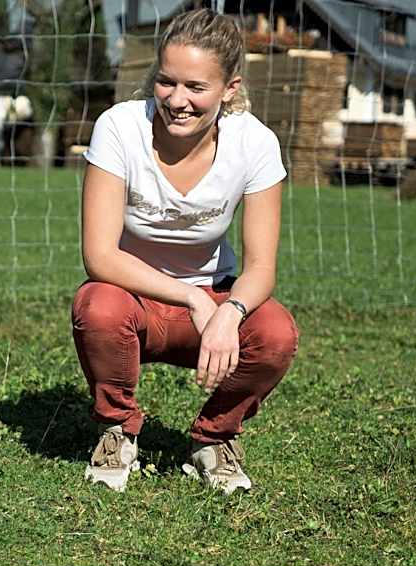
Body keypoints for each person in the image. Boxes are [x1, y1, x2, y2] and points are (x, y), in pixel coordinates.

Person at [72, 8, 298, 494]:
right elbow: (100, 256)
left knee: (276, 333)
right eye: (166, 82)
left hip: (215, 304)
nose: (177, 100)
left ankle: (213, 439)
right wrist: (192, 299)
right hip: (134, 301)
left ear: (229, 89)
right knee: (97, 304)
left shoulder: (256, 144)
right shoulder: (119, 128)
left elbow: (261, 268)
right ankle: (118, 430)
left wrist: (228, 310)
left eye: (196, 88)